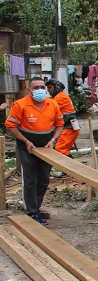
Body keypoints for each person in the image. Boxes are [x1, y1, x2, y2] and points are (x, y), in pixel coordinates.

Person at [5, 77, 64, 224]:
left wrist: (53, 140)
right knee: (31, 179)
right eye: (36, 87)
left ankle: (36, 208)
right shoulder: (20, 105)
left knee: (44, 179)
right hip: (27, 147)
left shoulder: (52, 104)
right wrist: (26, 141)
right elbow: (10, 126)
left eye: (42, 87)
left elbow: (59, 124)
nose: (40, 90)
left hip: (47, 147)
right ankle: (32, 213)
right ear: (29, 90)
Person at [45, 78, 80, 178]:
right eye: (48, 88)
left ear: (57, 88)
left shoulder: (60, 97)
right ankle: (72, 170)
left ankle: (69, 171)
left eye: (50, 88)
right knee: (63, 149)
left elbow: (49, 108)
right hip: (69, 126)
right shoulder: (60, 97)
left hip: (70, 127)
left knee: (61, 148)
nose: (49, 90)